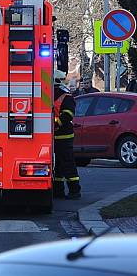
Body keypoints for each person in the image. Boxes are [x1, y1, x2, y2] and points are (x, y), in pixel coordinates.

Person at [53, 70, 81, 200]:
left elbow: (68, 114)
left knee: (67, 163)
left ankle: (75, 190)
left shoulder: (66, 97)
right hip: (54, 136)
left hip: (64, 136)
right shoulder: (51, 94)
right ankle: (58, 190)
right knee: (57, 165)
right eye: (63, 79)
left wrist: (56, 124)